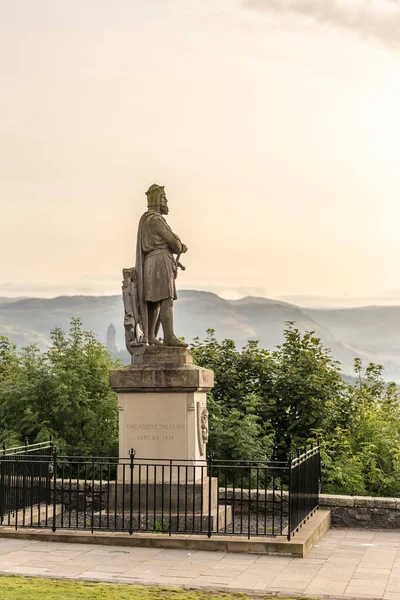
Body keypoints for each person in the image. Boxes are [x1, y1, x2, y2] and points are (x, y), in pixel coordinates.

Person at [135, 184, 188, 346]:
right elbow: (175, 244)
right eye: (164, 197)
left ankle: (151, 335)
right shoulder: (156, 220)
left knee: (154, 301)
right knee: (166, 300)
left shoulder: (146, 221)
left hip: (150, 263)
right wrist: (180, 245)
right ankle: (169, 337)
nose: (166, 201)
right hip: (160, 262)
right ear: (158, 200)